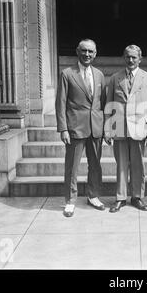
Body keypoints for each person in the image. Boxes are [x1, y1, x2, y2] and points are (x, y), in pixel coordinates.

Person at [104, 45, 147, 213]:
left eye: (134, 57)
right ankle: (120, 198)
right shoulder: (115, 78)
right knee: (121, 165)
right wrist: (108, 129)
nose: (131, 60)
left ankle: (137, 197)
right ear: (124, 58)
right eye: (128, 57)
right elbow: (109, 105)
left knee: (137, 165)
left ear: (140, 59)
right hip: (120, 128)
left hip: (139, 128)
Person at [55, 39, 107, 217]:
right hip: (75, 127)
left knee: (95, 165)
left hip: (96, 127)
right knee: (72, 166)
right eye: (84, 51)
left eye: (90, 52)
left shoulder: (100, 75)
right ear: (77, 51)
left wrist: (105, 126)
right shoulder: (67, 74)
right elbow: (60, 103)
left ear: (95, 53)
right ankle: (70, 200)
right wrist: (63, 128)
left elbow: (104, 102)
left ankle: (93, 196)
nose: (87, 54)